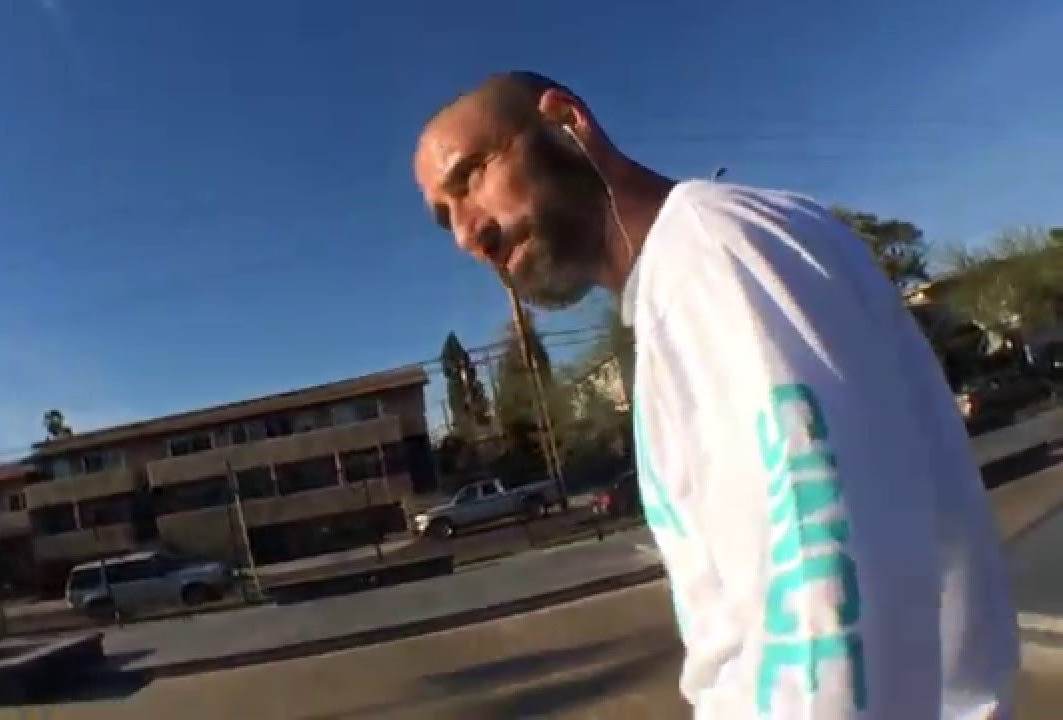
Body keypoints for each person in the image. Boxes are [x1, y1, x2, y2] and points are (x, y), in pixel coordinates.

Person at [412, 71, 1018, 719]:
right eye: (445, 217)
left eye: (471, 176)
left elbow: (824, 607)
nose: (467, 235)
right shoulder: (678, 290)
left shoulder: (713, 256)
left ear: (567, 122)